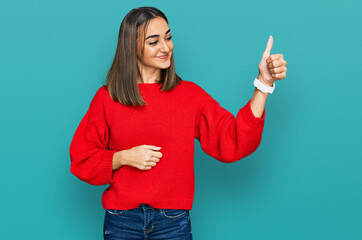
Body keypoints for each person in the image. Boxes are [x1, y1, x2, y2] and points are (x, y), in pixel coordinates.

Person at [69, 6, 287, 240]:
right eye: (154, 42)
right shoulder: (108, 98)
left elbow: (234, 141)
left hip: (172, 222)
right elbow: (82, 159)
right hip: (121, 220)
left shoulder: (189, 96)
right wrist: (122, 157)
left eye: (168, 37)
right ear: (131, 47)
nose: (166, 47)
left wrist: (263, 85)